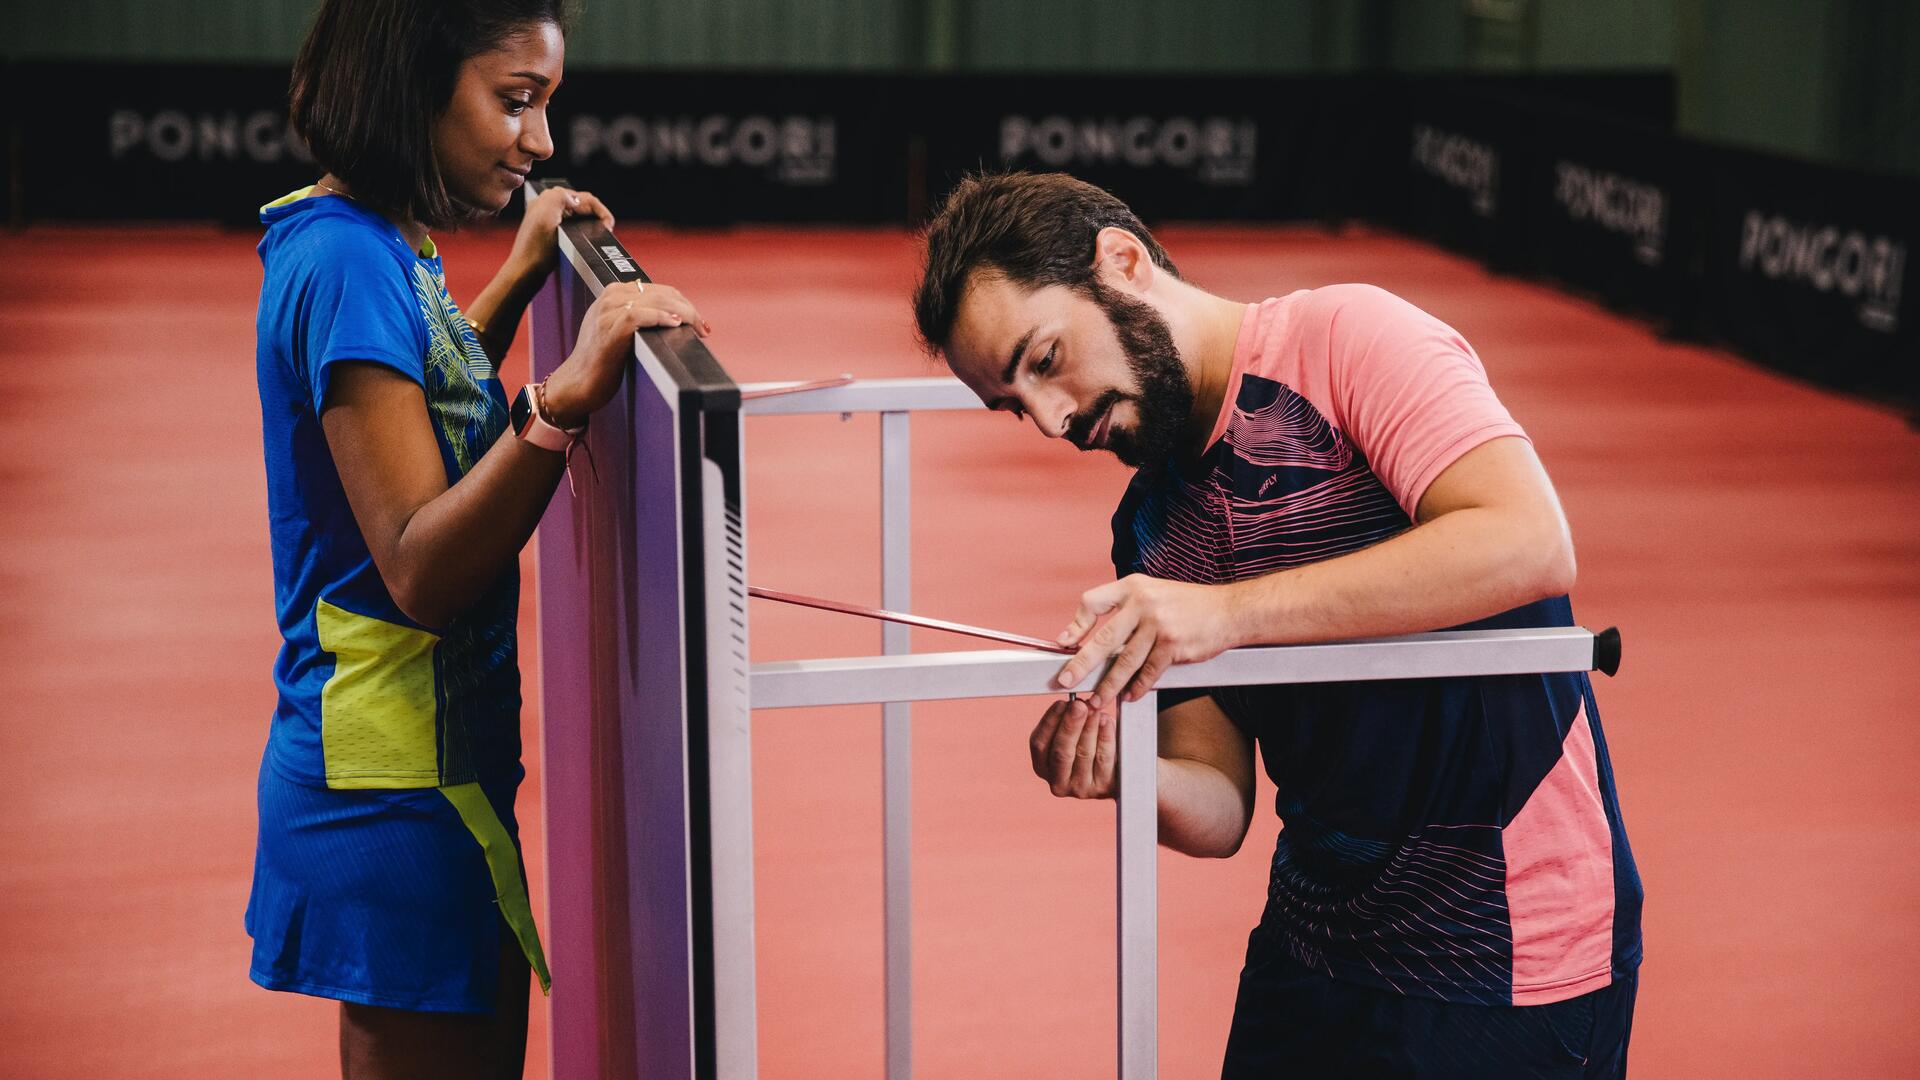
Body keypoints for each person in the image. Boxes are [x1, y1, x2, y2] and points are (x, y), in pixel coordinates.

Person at [913, 171, 1643, 1078]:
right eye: (1014, 404)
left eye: (1047, 359)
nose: (1054, 419)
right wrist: (1121, 768)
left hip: (1502, 953)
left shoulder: (1349, 336)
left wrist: (1225, 615)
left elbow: (1528, 542)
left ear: (1124, 262)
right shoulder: (1153, 522)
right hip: (1315, 947)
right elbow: (1219, 808)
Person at [246, 2, 708, 1075]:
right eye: (515, 101)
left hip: (427, 763)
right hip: (392, 787)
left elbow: (428, 396)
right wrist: (560, 404)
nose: (542, 141)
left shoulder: (371, 240)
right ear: (412, 86)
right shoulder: (346, 266)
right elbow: (420, 565)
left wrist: (514, 278)